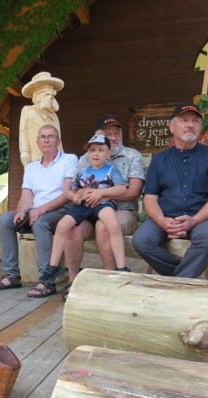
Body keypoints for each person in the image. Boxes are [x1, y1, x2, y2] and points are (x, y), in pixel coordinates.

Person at [132, 101, 208, 278]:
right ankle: (183, 278)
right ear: (172, 127)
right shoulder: (159, 160)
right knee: (141, 240)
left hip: (202, 219)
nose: (190, 125)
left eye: (195, 121)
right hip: (165, 218)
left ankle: (177, 282)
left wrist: (194, 220)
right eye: (184, 120)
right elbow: (150, 198)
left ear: (200, 127)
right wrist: (162, 221)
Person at [0, 125, 78, 297]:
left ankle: (47, 280)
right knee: (6, 220)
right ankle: (12, 274)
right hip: (36, 210)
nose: (46, 140)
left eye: (50, 136)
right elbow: (25, 197)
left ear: (58, 141)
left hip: (61, 210)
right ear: (37, 142)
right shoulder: (31, 168)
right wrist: (22, 211)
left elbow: (67, 194)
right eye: (42, 137)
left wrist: (40, 210)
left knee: (40, 221)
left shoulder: (69, 159)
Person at [62, 114, 145, 299]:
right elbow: (74, 189)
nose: (114, 137)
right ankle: (72, 282)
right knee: (72, 228)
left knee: (104, 226)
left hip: (123, 210)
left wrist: (102, 193)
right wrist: (85, 194)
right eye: (108, 134)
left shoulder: (132, 155)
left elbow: (134, 191)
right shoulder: (86, 158)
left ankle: (112, 279)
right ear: (98, 135)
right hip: (88, 210)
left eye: (117, 133)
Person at [43, 134, 129, 292]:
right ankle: (53, 265)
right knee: (62, 226)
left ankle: (121, 266)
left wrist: (101, 193)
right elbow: (71, 190)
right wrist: (75, 197)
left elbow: (122, 188)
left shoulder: (111, 170)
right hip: (83, 205)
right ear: (88, 154)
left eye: (101, 150)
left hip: (102, 203)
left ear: (108, 154)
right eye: (92, 151)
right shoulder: (82, 172)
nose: (96, 154)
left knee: (113, 224)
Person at [19, 72, 65, 167]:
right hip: (36, 158)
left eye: (53, 93)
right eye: (47, 93)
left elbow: (58, 140)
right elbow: (23, 132)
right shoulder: (28, 110)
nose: (52, 96)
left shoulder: (54, 116)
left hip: (55, 161)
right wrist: (24, 151)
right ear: (37, 96)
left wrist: (62, 158)